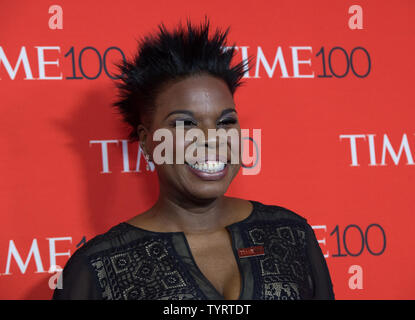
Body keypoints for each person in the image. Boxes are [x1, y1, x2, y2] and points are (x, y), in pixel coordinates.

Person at [52, 17, 335, 300]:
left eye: (226, 121)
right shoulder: (93, 270)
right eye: (184, 124)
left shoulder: (291, 235)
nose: (211, 138)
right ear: (148, 141)